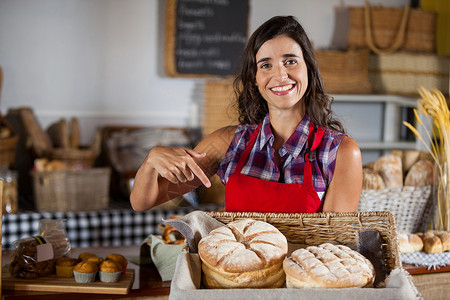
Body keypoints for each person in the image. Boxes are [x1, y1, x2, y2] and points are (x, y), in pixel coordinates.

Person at [130, 16, 362, 213]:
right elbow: (143, 202)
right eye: (266, 65)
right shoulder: (229, 143)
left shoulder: (340, 152)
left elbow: (334, 243)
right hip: (232, 267)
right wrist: (151, 161)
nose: (280, 75)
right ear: (254, 79)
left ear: (309, 69)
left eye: (290, 61)